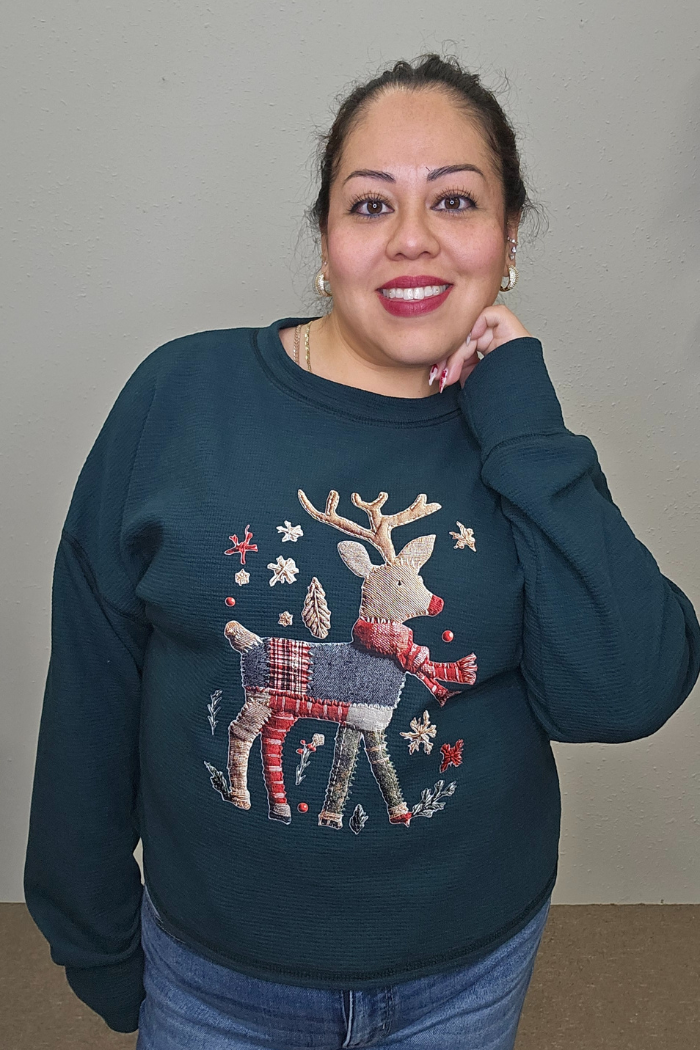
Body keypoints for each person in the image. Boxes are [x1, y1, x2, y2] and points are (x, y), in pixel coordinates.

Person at [24, 53, 700, 1050]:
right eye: (371, 205)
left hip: (466, 968)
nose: (413, 239)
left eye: (457, 201)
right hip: (215, 972)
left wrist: (520, 413)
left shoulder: (521, 443)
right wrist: (91, 934)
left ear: (507, 236)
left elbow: (624, 690)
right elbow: (93, 681)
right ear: (326, 239)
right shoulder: (180, 399)